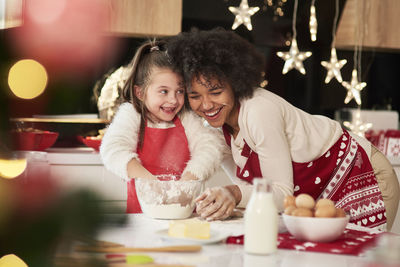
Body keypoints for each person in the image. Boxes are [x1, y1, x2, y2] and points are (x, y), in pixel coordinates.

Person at [166, 28, 400, 230]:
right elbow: (251, 189)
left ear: (235, 83)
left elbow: (280, 193)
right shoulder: (219, 126)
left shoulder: (258, 111)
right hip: (319, 196)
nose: (206, 105)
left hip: (362, 174)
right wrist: (225, 198)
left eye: (216, 92)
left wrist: (234, 194)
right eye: (194, 96)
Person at [100, 40, 225, 213]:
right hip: (143, 215)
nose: (173, 100)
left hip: (185, 211)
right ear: (140, 93)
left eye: (180, 91)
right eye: (164, 91)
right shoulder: (132, 114)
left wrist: (185, 184)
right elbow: (113, 149)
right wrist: (154, 186)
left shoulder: (186, 118)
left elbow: (210, 147)